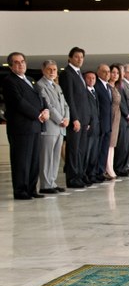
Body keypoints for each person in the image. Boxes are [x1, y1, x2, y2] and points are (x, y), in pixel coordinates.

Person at [3, 52, 49, 199]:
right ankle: (21, 190)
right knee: (22, 160)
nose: (20, 64)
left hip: (35, 126)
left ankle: (31, 189)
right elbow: (19, 102)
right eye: (16, 62)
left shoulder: (29, 79)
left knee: (34, 159)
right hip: (21, 128)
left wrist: (46, 110)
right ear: (11, 66)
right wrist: (38, 114)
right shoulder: (9, 81)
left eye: (22, 61)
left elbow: (40, 97)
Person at [59, 46, 93, 188]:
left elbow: (84, 98)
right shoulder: (67, 73)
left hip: (84, 118)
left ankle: (80, 175)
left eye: (81, 57)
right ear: (70, 58)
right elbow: (69, 98)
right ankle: (72, 179)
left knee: (81, 150)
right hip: (76, 119)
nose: (79, 59)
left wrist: (87, 118)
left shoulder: (79, 73)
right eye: (76, 57)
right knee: (73, 150)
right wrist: (75, 118)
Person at [35, 60, 69, 194]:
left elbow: (65, 105)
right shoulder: (40, 85)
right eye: (49, 69)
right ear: (43, 70)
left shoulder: (57, 86)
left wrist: (66, 118)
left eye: (54, 70)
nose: (52, 72)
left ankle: (52, 182)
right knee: (46, 156)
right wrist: (60, 119)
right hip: (49, 127)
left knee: (55, 157)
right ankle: (45, 185)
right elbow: (48, 105)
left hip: (61, 127)